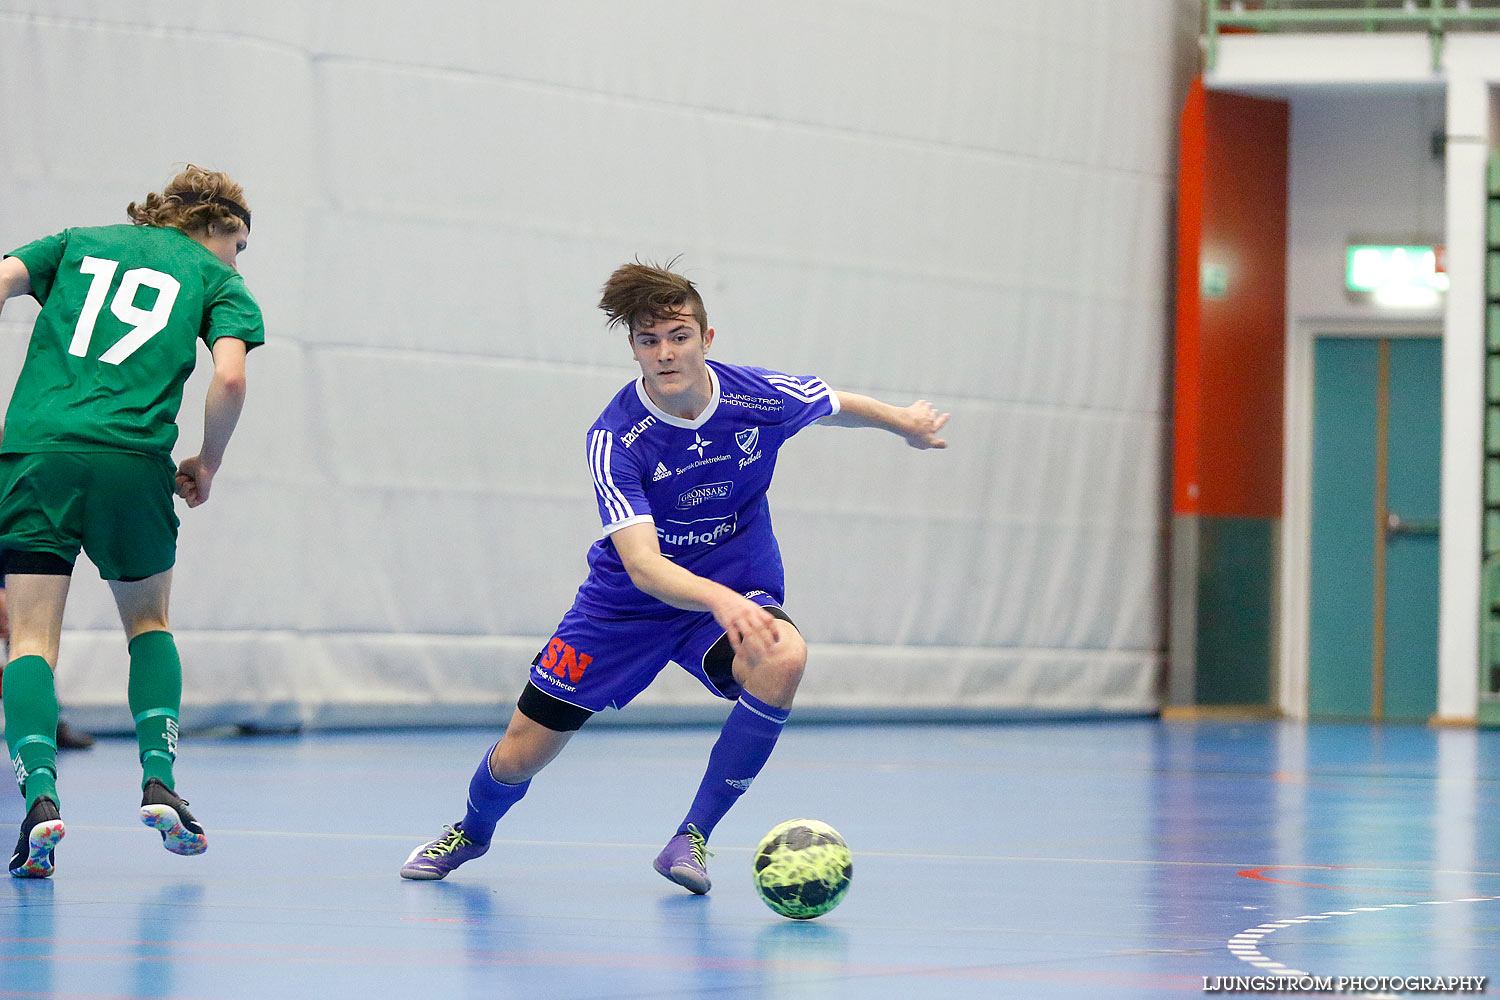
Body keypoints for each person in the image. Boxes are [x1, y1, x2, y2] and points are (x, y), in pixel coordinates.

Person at [401, 259, 949, 890]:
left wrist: (905, 423)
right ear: (633, 348)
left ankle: (691, 838)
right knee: (522, 751)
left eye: (678, 336)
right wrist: (718, 599)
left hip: (734, 585)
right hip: (624, 607)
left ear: (706, 340)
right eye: (648, 340)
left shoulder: (755, 396)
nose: (665, 352)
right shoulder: (617, 439)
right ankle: (471, 832)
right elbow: (643, 565)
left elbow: (833, 403)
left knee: (782, 656)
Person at [0, 165, 262, 878]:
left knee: (27, 637)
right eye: (240, 244)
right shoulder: (219, 283)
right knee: (148, 625)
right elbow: (231, 378)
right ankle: (159, 780)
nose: (239, 259)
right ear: (220, 226)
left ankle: (41, 794)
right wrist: (206, 460)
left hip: (37, 452)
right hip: (132, 461)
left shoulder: (77, 242)